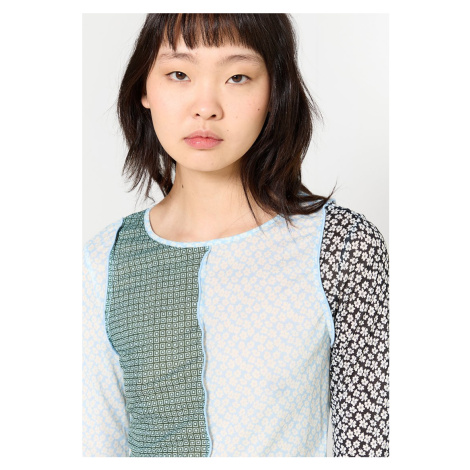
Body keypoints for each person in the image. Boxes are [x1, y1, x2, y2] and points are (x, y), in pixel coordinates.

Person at [82, 13, 389, 458]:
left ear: (274, 91)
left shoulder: (342, 247)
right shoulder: (104, 263)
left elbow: (373, 449)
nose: (206, 106)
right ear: (144, 88)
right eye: (179, 74)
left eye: (238, 76)